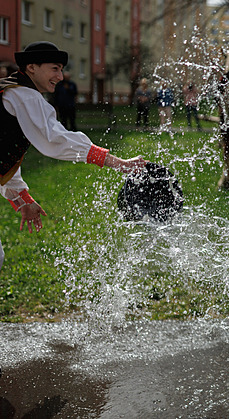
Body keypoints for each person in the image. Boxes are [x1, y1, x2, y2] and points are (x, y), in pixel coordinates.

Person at [0, 41, 146, 272]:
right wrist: (117, 163)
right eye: (55, 68)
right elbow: (54, 139)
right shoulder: (24, 95)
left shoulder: (14, 91)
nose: (60, 76)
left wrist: (22, 200)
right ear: (31, 67)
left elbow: (4, 151)